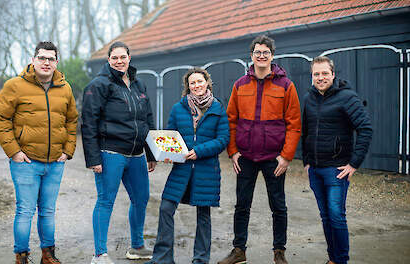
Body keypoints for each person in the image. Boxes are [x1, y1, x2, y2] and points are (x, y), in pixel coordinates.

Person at [0, 41, 78, 264]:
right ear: (33, 60)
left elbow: (72, 120)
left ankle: (48, 255)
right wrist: (14, 152)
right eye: (42, 58)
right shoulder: (15, 85)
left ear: (56, 62)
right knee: (25, 211)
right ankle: (21, 256)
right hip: (26, 162)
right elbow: (0, 118)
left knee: (48, 211)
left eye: (51, 59)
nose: (46, 62)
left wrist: (67, 151)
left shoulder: (65, 88)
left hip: (55, 162)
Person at [218, 35, 301, 264]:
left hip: (274, 158)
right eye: (257, 52)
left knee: (278, 206)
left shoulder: (286, 85)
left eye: (266, 52)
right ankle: (239, 251)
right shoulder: (240, 85)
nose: (261, 56)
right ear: (251, 56)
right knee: (242, 204)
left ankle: (279, 252)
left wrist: (286, 157)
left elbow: (294, 124)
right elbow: (231, 120)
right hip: (245, 156)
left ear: (272, 56)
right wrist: (233, 151)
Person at [81, 41, 157, 264]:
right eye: (114, 58)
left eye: (123, 57)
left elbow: (147, 119)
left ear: (129, 58)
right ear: (108, 60)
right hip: (110, 153)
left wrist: (151, 153)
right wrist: (93, 159)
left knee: (141, 199)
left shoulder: (139, 84)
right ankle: (100, 255)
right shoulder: (98, 85)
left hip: (136, 155)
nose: (119, 61)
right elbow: (88, 123)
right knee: (106, 201)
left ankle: (137, 246)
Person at [146, 68, 230, 264]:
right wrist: (167, 152)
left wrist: (199, 151)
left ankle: (200, 260)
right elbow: (170, 136)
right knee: (166, 208)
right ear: (188, 86)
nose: (197, 85)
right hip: (182, 169)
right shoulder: (178, 108)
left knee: (203, 215)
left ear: (207, 82)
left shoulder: (217, 109)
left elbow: (223, 139)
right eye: (192, 83)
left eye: (200, 81)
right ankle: (163, 258)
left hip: (206, 170)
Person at [302, 56, 372, 264]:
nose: (321, 77)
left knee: (336, 216)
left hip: (336, 170)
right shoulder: (308, 98)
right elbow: (304, 130)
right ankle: (332, 259)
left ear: (333, 74)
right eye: (317, 74)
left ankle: (341, 260)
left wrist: (354, 163)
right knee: (325, 217)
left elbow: (365, 129)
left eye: (325, 73)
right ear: (312, 76)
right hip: (315, 169)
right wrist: (306, 160)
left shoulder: (347, 97)